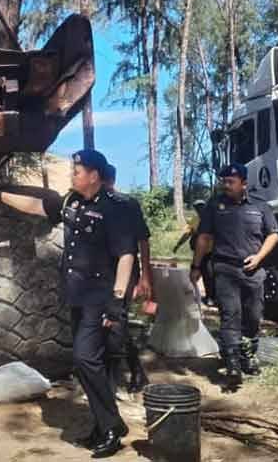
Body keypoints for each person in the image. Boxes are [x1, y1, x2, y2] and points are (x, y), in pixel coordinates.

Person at [0, 149, 136, 458]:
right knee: (86, 362)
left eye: (78, 170)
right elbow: (37, 206)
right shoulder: (71, 201)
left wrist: (116, 302)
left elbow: (126, 256)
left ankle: (112, 427)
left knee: (86, 359)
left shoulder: (115, 209)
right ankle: (104, 425)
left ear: (94, 176)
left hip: (101, 298)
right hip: (77, 296)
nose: (72, 174)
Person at [190, 163, 278, 385]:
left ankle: (247, 357)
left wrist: (259, 257)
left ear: (244, 183)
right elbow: (204, 238)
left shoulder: (260, 207)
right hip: (225, 269)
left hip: (254, 271)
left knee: (253, 316)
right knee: (231, 314)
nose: (226, 185)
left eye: (231, 182)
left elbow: (273, 235)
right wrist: (196, 266)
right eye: (224, 181)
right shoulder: (215, 206)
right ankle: (232, 364)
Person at [101, 163, 151, 394]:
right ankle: (133, 371)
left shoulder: (127, 204)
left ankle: (119, 377)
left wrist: (145, 277)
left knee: (117, 322)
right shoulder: (91, 203)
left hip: (125, 273)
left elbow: (143, 240)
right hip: (100, 274)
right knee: (110, 323)